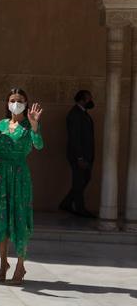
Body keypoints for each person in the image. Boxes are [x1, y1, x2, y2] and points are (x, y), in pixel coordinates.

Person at [0, 89, 43, 285]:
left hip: (19, 177)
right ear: (7, 103)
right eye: (12, 100)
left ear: (26, 103)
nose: (16, 103)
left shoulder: (29, 126)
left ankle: (20, 265)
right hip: (2, 176)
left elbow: (39, 145)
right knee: (1, 220)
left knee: (19, 222)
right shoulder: (1, 124)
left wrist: (35, 127)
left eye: (20, 100)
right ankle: (3, 264)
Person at [59, 89, 96, 217]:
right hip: (78, 156)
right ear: (82, 100)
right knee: (79, 181)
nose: (91, 101)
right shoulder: (75, 114)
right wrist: (80, 157)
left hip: (85, 155)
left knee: (84, 179)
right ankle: (80, 209)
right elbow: (75, 138)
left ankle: (67, 203)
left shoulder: (83, 114)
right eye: (89, 98)